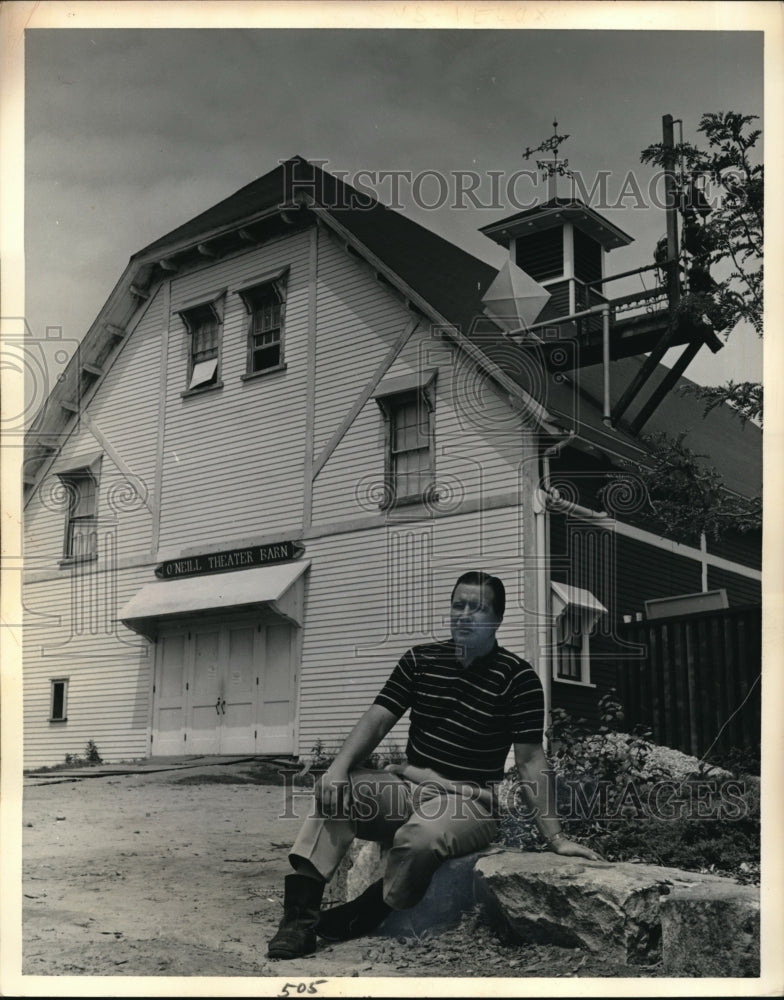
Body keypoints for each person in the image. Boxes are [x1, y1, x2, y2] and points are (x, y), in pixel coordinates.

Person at [267, 571, 603, 960]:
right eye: (457, 605)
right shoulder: (420, 660)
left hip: (471, 803)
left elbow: (530, 761)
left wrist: (556, 838)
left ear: (496, 619)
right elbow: (377, 719)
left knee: (421, 836)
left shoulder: (519, 679)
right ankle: (299, 920)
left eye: (475, 608)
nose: (462, 615)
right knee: (337, 793)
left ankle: (374, 909)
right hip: (409, 786)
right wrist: (339, 767)